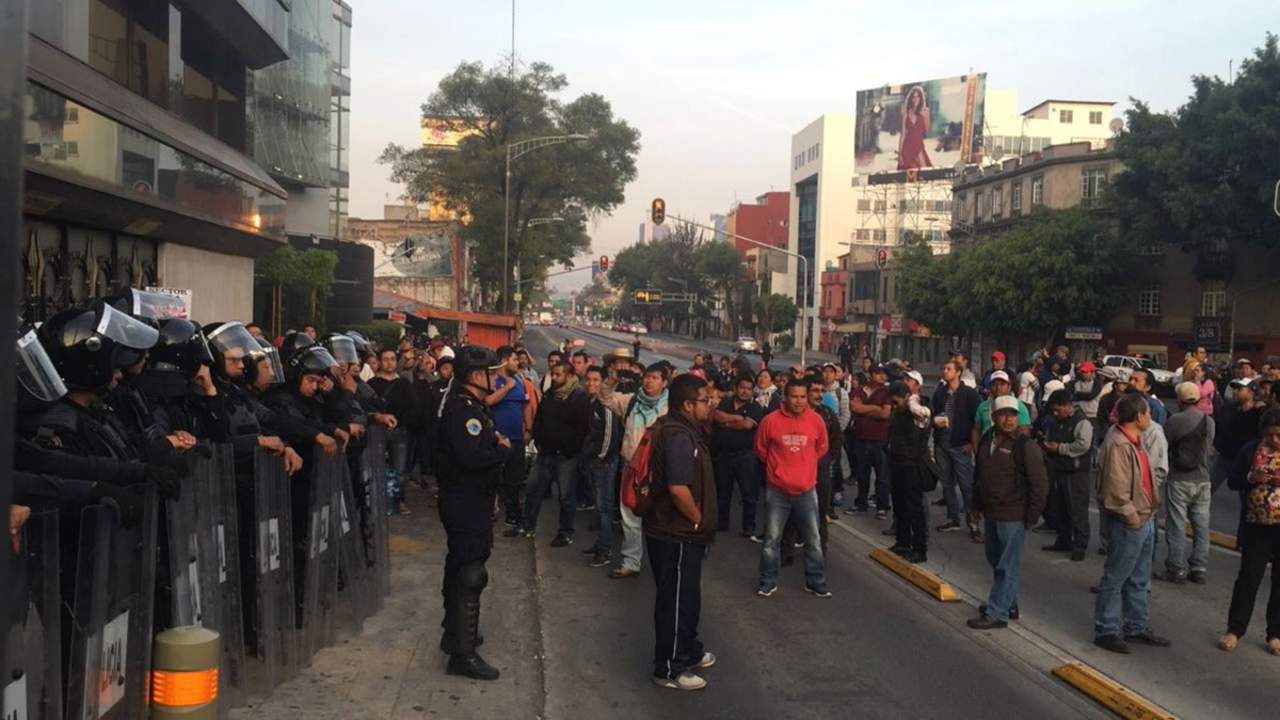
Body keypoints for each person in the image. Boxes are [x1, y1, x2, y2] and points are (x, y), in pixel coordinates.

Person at [435, 346, 514, 680]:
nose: (494, 377)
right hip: (465, 500)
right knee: (470, 572)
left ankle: (454, 634)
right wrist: (501, 452)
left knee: (461, 565)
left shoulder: (470, 406)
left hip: (469, 499)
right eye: (490, 373)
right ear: (475, 377)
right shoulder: (463, 409)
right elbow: (471, 458)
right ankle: (463, 656)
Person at [644, 374, 718, 690]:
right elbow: (677, 489)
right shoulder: (678, 436)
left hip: (682, 533)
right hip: (675, 533)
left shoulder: (684, 429)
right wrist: (698, 520)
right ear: (688, 405)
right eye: (704, 400)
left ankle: (688, 649)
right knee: (675, 602)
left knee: (688, 598)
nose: (710, 404)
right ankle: (670, 667)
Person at [1093, 394, 1172, 654]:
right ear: (1138, 416)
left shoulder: (1134, 440)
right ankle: (1106, 629)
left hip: (1145, 518)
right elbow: (1115, 491)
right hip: (1131, 521)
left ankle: (1135, 626)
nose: (1150, 417)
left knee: (1139, 577)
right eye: (1148, 412)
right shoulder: (1118, 444)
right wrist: (1133, 517)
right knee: (1116, 577)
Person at [967, 396, 1049, 629]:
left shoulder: (1025, 446)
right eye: (1003, 414)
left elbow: (1040, 484)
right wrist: (975, 507)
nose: (1009, 419)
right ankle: (1008, 603)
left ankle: (997, 612)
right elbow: (979, 476)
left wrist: (1031, 516)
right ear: (993, 417)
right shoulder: (987, 440)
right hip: (992, 512)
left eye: (1013, 414)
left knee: (1006, 565)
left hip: (1013, 515)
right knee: (995, 559)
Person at [754, 380, 831, 598]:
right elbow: (761, 449)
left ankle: (815, 581)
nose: (798, 401)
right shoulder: (770, 422)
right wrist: (779, 469)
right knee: (771, 540)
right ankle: (767, 581)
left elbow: (822, 447)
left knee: (813, 539)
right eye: (794, 396)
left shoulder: (816, 421)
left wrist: (804, 466)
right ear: (785, 397)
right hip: (777, 492)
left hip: (807, 491)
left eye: (802, 397)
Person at [1219, 409, 1280, 655]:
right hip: (1256, 526)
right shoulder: (1250, 450)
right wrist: (1251, 477)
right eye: (1271, 436)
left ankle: (1275, 634)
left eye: (1279, 435)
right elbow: (1233, 480)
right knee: (1248, 578)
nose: (1275, 440)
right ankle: (1234, 630)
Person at [512, 362, 588, 546]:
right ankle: (527, 526)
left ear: (569, 377)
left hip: (565, 457)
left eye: (558, 375)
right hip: (545, 452)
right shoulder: (550, 394)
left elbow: (582, 429)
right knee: (533, 490)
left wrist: (569, 449)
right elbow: (540, 418)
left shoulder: (578, 397)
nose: (554, 378)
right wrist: (538, 439)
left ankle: (565, 533)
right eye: (553, 374)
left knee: (565, 496)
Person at [1157, 382, 1215, 584]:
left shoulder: (1175, 421)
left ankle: (1175, 568)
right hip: (1203, 479)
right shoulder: (1209, 422)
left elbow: (1164, 445)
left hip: (1179, 478)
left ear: (1180, 400)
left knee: (1176, 525)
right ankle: (1199, 567)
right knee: (1201, 526)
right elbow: (1208, 451)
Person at [1040, 389, 1095, 561]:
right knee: (1061, 508)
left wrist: (1060, 448)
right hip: (1060, 469)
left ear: (1067, 406)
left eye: (1058, 410)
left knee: (1077, 509)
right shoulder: (1057, 421)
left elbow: (1083, 445)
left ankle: (1080, 544)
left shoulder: (1081, 422)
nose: (1055, 414)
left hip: (1076, 472)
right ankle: (1063, 540)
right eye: (1053, 411)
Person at [931, 361, 982, 541]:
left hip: (961, 445)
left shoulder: (969, 394)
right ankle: (953, 518)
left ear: (958, 373)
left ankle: (973, 521)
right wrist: (936, 422)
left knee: (966, 486)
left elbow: (978, 420)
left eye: (949, 369)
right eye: (944, 369)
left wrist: (971, 442)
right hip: (942, 444)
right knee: (946, 484)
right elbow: (932, 413)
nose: (945, 372)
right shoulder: (940, 393)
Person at [711, 373, 764, 537]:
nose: (745, 392)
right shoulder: (726, 402)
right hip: (724, 455)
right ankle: (722, 522)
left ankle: (749, 526)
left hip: (745, 457)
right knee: (723, 490)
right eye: (742, 388)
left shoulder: (755, 407)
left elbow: (747, 425)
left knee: (748, 493)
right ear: (735, 388)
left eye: (749, 389)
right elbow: (715, 416)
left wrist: (725, 423)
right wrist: (736, 418)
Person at [582, 366, 624, 567]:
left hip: (605, 462)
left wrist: (601, 458)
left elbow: (610, 434)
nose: (591, 384)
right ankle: (600, 544)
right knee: (599, 508)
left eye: (596, 380)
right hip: (594, 460)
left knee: (605, 509)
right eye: (588, 380)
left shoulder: (606, 404)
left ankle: (605, 551)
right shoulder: (591, 401)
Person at [886, 380, 933, 562]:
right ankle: (902, 542)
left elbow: (926, 415)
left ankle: (919, 548)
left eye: (896, 402)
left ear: (907, 398)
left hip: (913, 466)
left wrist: (912, 402)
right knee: (900, 506)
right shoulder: (898, 413)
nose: (893, 406)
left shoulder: (918, 411)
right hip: (897, 463)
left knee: (915, 508)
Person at [488, 346, 532, 528]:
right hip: (497, 438)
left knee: (515, 478)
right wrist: (507, 388)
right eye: (514, 359)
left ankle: (513, 514)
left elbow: (526, 404)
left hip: (517, 438)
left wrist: (529, 428)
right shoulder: (492, 380)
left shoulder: (519, 380)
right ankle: (490, 511)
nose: (518, 362)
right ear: (505, 360)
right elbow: (488, 401)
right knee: (494, 477)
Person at [849, 364, 892, 518]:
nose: (882, 377)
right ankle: (861, 503)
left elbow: (885, 413)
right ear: (871, 374)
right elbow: (854, 407)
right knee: (862, 474)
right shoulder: (859, 390)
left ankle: (882, 506)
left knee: (882, 476)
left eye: (884, 374)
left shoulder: (887, 393)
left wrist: (865, 408)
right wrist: (875, 408)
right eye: (879, 373)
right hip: (861, 437)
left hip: (880, 439)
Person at [1211, 377, 1267, 495]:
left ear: (1251, 392)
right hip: (1225, 457)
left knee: (1246, 495)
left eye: (1240, 389)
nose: (1235, 392)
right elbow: (1221, 427)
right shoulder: (1230, 409)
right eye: (1235, 389)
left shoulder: (1259, 413)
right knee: (1207, 488)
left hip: (1244, 460)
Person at [896, 84, 932, 170]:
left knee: (925, 171)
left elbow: (927, 132)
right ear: (911, 99)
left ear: (921, 98)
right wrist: (900, 154)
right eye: (913, 97)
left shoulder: (925, 112)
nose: (915, 99)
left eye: (918, 97)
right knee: (910, 175)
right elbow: (903, 135)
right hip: (907, 149)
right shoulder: (906, 114)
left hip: (918, 147)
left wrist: (926, 117)